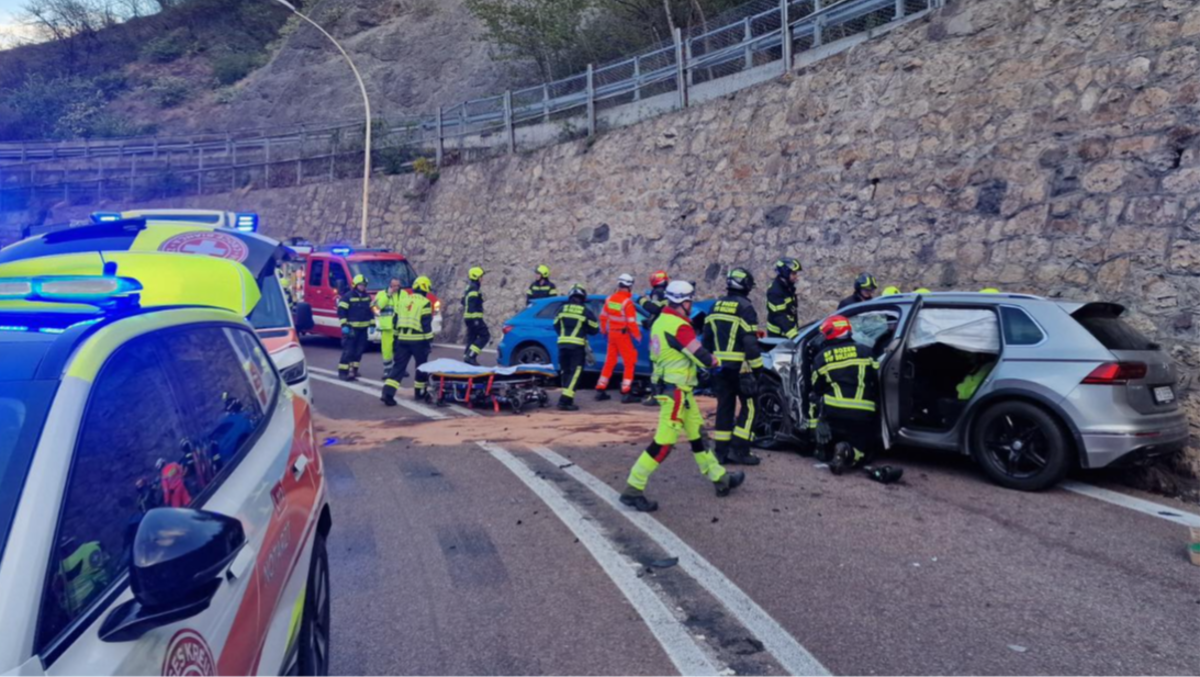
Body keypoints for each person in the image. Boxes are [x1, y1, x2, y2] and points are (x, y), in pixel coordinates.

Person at [619, 281, 745, 512]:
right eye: (690, 300)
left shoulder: (661, 322)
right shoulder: (679, 326)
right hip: (676, 392)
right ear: (682, 302)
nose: (691, 304)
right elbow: (699, 354)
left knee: (698, 436)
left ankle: (720, 478)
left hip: (677, 390)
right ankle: (633, 488)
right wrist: (719, 363)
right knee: (664, 444)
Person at [810, 315, 902, 483]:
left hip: (833, 412)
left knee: (816, 403)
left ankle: (821, 446)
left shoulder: (821, 357)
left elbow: (816, 388)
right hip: (862, 413)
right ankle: (847, 451)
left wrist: (819, 418)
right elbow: (877, 379)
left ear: (830, 334)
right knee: (862, 452)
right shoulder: (866, 351)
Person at [703, 267, 764, 466]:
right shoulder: (745, 307)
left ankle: (720, 451)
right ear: (745, 285)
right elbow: (750, 343)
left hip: (719, 368)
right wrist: (758, 370)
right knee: (751, 406)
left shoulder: (715, 305)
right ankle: (740, 449)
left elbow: (707, 340)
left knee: (725, 407)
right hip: (741, 369)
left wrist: (708, 365)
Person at [382, 276, 435, 405]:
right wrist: (429, 341)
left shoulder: (403, 300)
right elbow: (426, 324)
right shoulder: (424, 302)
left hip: (402, 339)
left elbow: (395, 321)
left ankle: (387, 393)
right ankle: (419, 392)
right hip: (418, 340)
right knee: (421, 367)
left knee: (398, 367)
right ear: (425, 288)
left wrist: (395, 339)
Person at [596, 273, 642, 403]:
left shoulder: (609, 299)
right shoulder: (627, 303)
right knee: (629, 362)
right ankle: (626, 392)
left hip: (612, 335)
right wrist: (638, 336)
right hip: (623, 335)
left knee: (610, 361)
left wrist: (604, 331)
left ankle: (600, 388)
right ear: (629, 286)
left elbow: (603, 317)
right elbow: (632, 322)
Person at [554, 284, 600, 411]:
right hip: (577, 346)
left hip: (562, 345)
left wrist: (564, 335)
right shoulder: (585, 311)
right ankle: (564, 401)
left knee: (565, 371)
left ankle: (567, 398)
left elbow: (556, 324)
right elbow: (595, 329)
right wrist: (583, 329)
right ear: (582, 298)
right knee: (575, 373)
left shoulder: (561, 309)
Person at [338, 274, 373, 380]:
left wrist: (372, 324)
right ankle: (343, 372)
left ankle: (354, 370)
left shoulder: (367, 297)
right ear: (355, 285)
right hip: (351, 328)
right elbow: (341, 311)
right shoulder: (347, 296)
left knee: (359, 351)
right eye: (361, 285)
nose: (363, 287)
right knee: (348, 351)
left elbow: (370, 311)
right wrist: (344, 324)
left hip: (363, 329)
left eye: (364, 285)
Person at [766, 257, 802, 339]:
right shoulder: (775, 291)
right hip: (777, 337)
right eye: (793, 273)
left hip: (786, 333)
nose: (796, 276)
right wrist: (794, 336)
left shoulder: (787, 287)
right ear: (785, 272)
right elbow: (780, 316)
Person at [373, 277, 403, 374]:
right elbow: (376, 308)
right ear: (389, 285)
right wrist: (388, 295)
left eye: (397, 286)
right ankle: (387, 370)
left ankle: (399, 368)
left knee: (401, 349)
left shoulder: (404, 294)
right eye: (393, 286)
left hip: (400, 326)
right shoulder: (382, 294)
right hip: (387, 327)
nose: (396, 288)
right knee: (387, 349)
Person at [462, 266, 490, 366]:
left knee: (472, 338)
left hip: (468, 318)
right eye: (481, 276)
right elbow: (472, 304)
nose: (482, 278)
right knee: (485, 336)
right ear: (477, 277)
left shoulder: (469, 287)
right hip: (474, 318)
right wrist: (476, 319)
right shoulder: (474, 288)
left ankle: (467, 356)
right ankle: (471, 356)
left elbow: (463, 301)